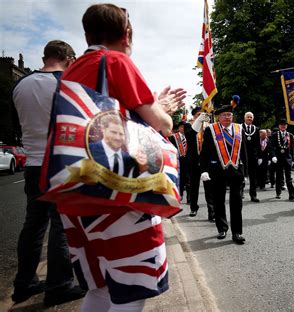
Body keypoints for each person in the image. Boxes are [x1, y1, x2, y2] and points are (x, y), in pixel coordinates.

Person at [60, 4, 186, 310]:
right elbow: (161, 124)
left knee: (100, 288)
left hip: (75, 194)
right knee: (133, 289)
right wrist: (163, 108)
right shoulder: (115, 60)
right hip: (117, 195)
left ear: (86, 33)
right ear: (126, 34)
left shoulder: (72, 70)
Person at [12, 40, 86, 306]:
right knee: (62, 226)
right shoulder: (64, 85)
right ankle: (58, 285)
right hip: (59, 162)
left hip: (32, 164)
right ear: (67, 57)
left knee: (33, 224)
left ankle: (24, 284)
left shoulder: (21, 85)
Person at [200, 104, 247, 244]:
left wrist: (245, 172)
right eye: (224, 115)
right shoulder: (211, 130)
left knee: (236, 202)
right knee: (219, 201)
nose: (227, 117)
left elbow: (244, 151)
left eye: (229, 115)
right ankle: (222, 228)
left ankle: (237, 232)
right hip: (217, 171)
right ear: (218, 117)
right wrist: (204, 170)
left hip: (236, 171)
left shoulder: (239, 129)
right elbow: (205, 152)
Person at [185, 106, 214, 219]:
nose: (201, 117)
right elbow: (190, 135)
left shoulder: (208, 127)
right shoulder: (189, 126)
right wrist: (198, 121)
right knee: (194, 186)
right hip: (194, 160)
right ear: (194, 116)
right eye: (198, 115)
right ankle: (193, 207)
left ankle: (211, 211)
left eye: (203, 115)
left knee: (209, 187)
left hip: (206, 162)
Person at [270, 119, 294, 201]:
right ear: (279, 126)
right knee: (279, 176)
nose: (283, 126)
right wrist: (273, 156)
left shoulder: (290, 135)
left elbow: (293, 148)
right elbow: (271, 147)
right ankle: (278, 192)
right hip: (278, 158)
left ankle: (291, 195)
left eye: (284, 125)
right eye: (281, 124)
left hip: (287, 159)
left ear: (286, 126)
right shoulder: (275, 135)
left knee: (288, 178)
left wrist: (293, 159)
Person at [241, 111, 261, 202]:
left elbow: (258, 144)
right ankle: (240, 192)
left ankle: (253, 195)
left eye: (251, 117)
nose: (249, 118)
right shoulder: (240, 127)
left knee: (253, 177)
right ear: (244, 118)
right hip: (242, 155)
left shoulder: (256, 129)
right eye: (248, 117)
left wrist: (260, 156)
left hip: (253, 156)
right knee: (241, 176)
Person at [169, 121, 190, 203]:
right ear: (178, 128)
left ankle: (189, 197)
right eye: (181, 127)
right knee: (181, 179)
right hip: (178, 161)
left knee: (189, 180)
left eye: (184, 127)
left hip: (188, 161)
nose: (183, 129)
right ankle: (180, 194)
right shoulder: (173, 137)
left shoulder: (190, 136)